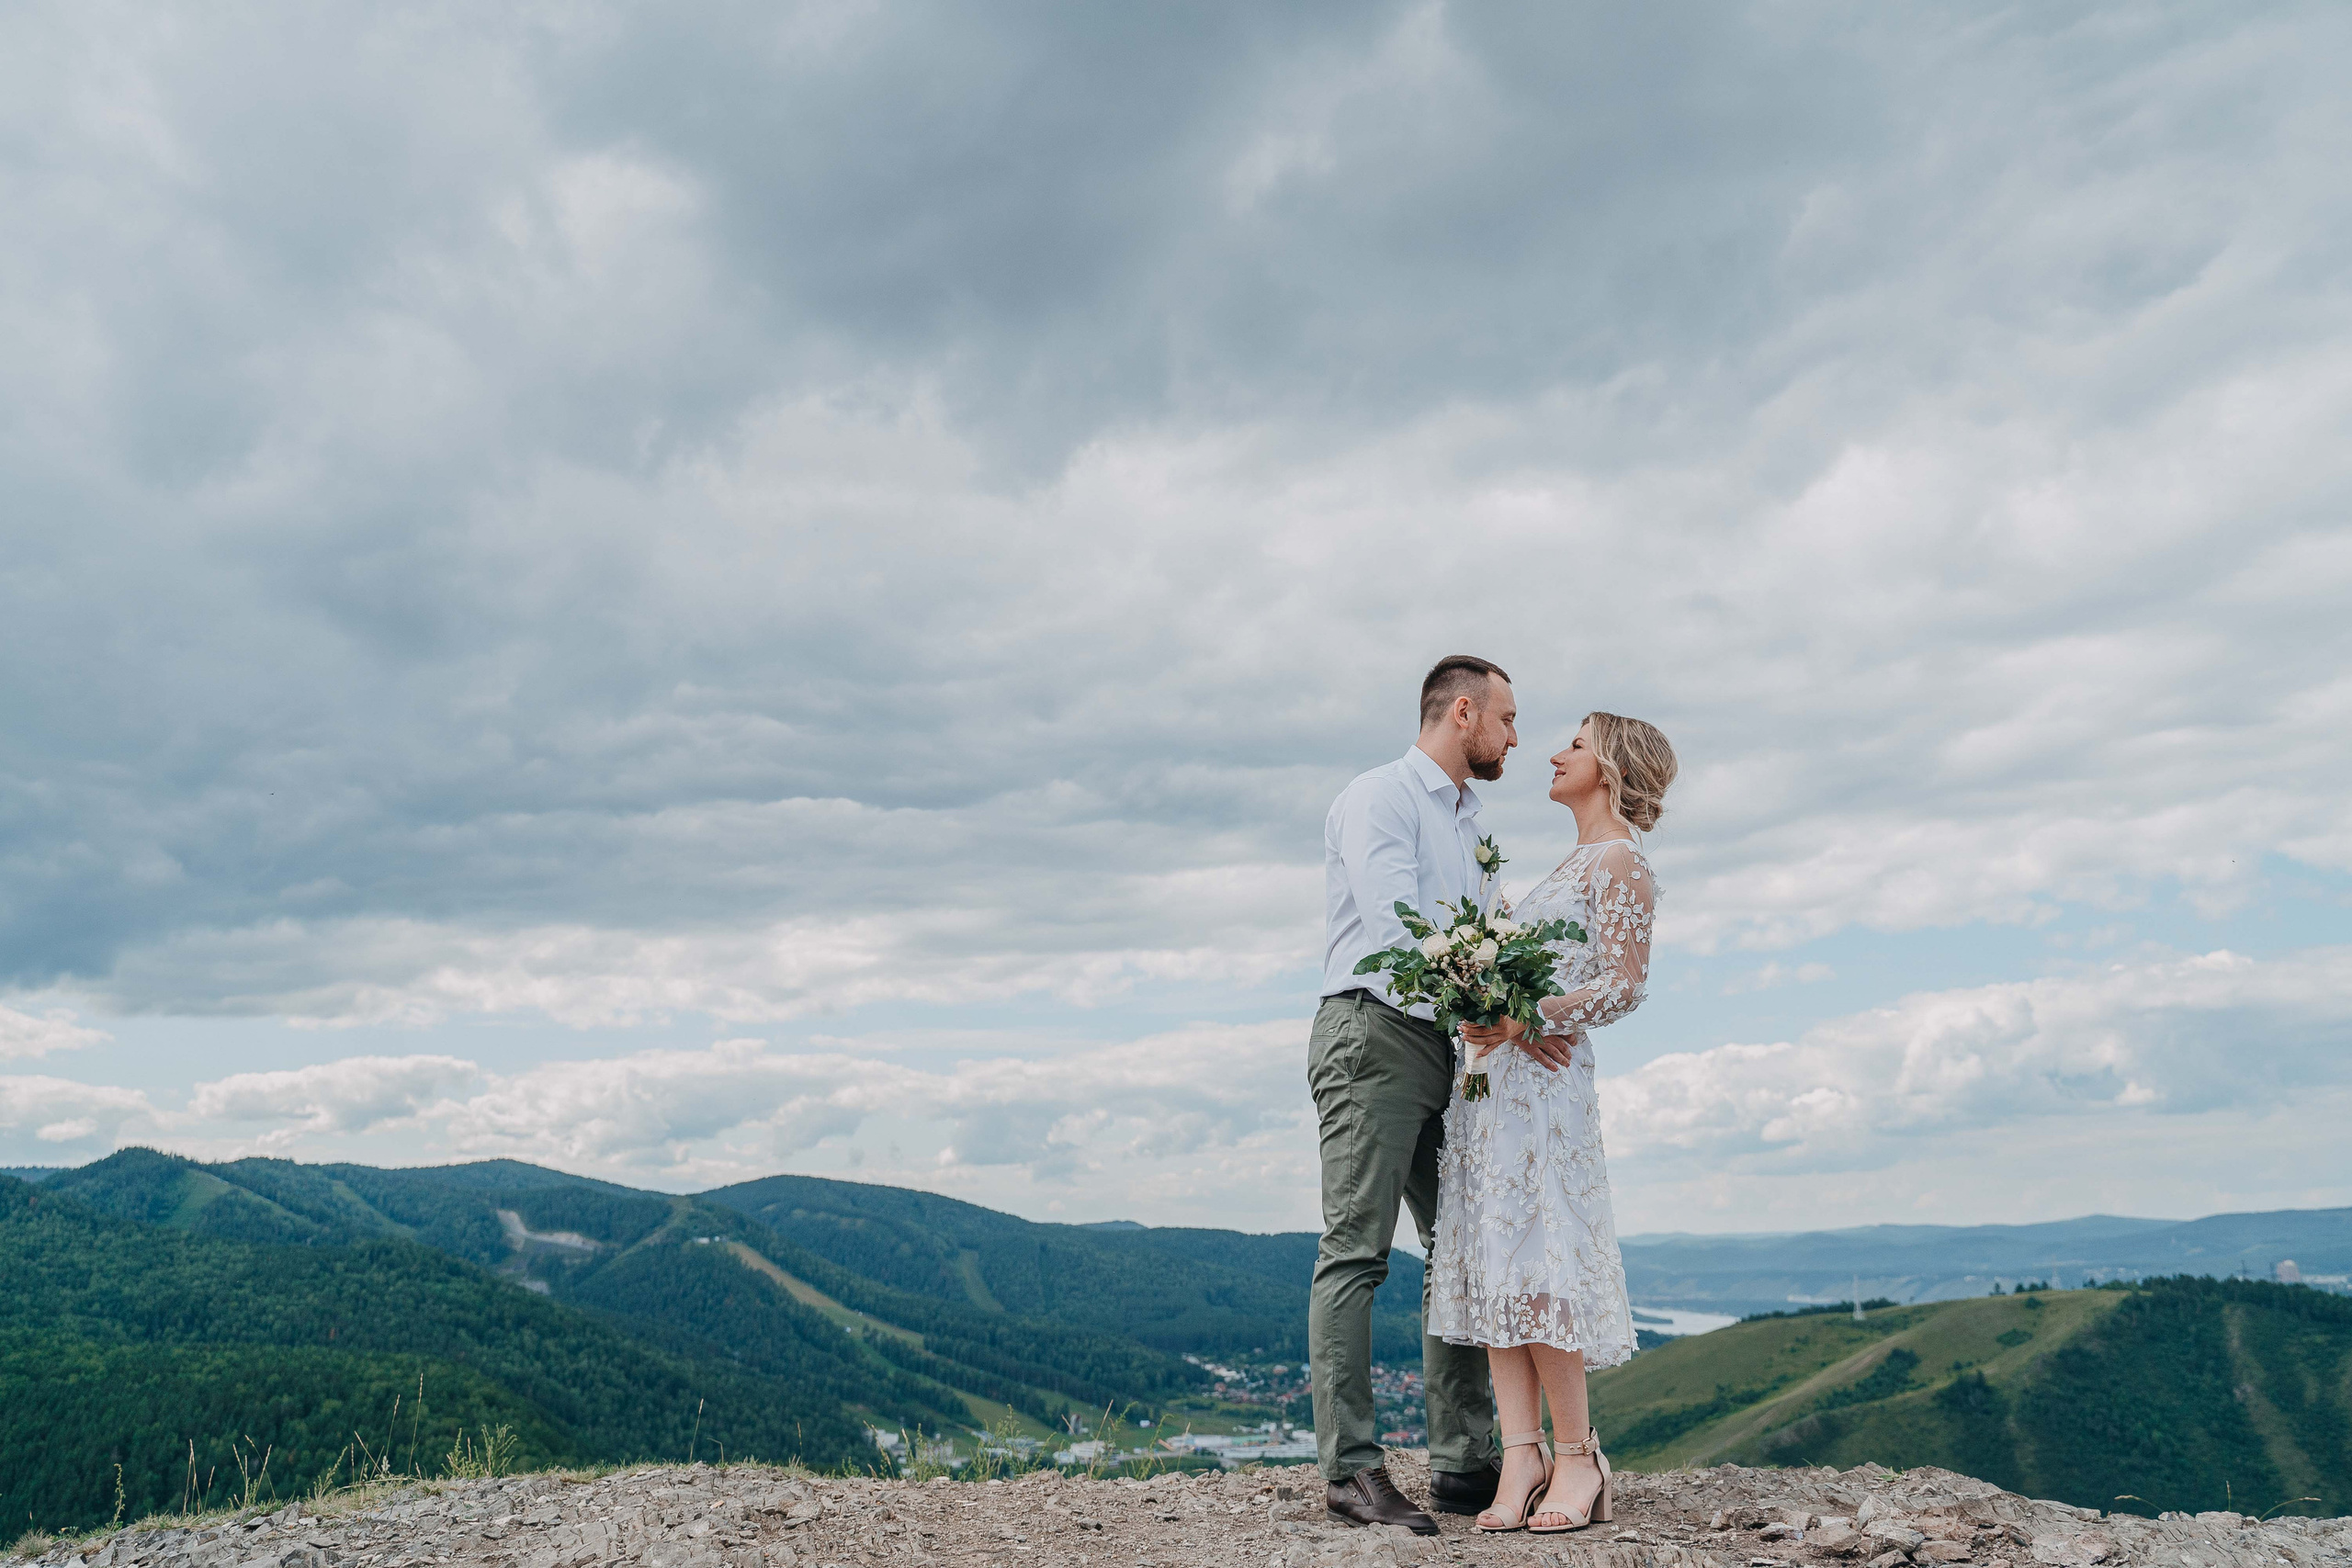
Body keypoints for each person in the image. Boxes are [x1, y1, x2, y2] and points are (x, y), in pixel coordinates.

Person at [1429, 711, 1677, 1534]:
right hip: (1496, 1093)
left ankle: (1579, 1457)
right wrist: (1483, 1011)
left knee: (1542, 1269)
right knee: (1501, 1264)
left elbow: (1626, 983)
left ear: (1607, 765)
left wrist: (1526, 1015)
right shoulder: (1568, 862)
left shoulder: (1619, 861)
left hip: (1546, 1096)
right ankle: (1522, 1452)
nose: (1553, 753)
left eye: (1573, 743)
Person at [1307, 655, 1525, 1533]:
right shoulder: (1381, 796)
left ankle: (1465, 1462)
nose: (1516, 736)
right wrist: (1477, 995)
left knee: (1459, 1249)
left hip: (1446, 1044)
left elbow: (1479, 932)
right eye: (1507, 718)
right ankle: (1352, 1472)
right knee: (1358, 1250)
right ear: (1462, 711)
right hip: (1374, 1031)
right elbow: (1399, 921)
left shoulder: (1473, 820)